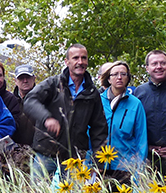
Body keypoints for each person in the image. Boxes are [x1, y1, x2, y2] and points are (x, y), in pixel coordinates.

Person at [23, 44, 108, 178]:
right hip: (46, 152)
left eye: (84, 58)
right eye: (75, 58)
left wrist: (99, 163)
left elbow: (99, 129)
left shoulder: (92, 93)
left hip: (74, 157)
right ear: (67, 62)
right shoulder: (53, 83)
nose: (80, 62)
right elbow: (30, 100)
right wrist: (46, 118)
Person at [99, 61, 147, 183]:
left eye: (123, 74)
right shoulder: (97, 102)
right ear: (108, 79)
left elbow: (141, 139)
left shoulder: (135, 104)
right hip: (99, 166)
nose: (119, 77)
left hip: (125, 167)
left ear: (128, 78)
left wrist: (139, 169)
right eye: (115, 74)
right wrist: (89, 164)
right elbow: (88, 133)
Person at [12, 64, 37, 146]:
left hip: (38, 151)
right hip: (14, 151)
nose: (25, 81)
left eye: (28, 77)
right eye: (21, 78)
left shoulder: (44, 99)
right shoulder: (10, 101)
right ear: (15, 81)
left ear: (34, 78)